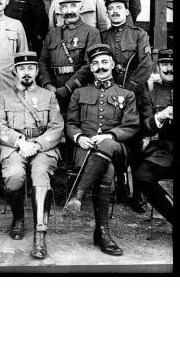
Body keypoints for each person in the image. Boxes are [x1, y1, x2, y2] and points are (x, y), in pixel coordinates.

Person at [65, 44, 139, 256]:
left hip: (117, 149)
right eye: (95, 63)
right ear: (90, 67)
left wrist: (109, 135)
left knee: (106, 147)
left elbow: (131, 126)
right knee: (105, 170)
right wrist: (79, 138)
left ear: (113, 64)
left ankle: (78, 195)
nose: (100, 67)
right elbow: (70, 123)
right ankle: (102, 232)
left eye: (104, 62)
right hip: (86, 150)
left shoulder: (127, 94)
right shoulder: (79, 93)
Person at [0, 52, 64, 259]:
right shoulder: (3, 96)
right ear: (15, 71)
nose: (26, 72)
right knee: (14, 175)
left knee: (40, 173)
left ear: (37, 71)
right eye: (22, 69)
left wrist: (37, 144)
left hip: (42, 146)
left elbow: (57, 126)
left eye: (30, 68)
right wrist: (19, 141)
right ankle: (18, 218)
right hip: (14, 146)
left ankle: (40, 233)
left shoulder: (48, 96)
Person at [101, 0, 153, 207]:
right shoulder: (102, 36)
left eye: (118, 8)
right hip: (112, 97)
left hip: (137, 95)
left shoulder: (139, 34)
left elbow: (146, 66)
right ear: (107, 12)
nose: (115, 12)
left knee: (138, 142)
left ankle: (139, 192)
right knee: (116, 136)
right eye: (111, 9)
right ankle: (120, 183)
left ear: (126, 11)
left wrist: (128, 90)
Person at [38, 0, 101, 115]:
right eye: (64, 7)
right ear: (60, 10)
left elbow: (90, 64)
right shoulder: (53, 33)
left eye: (73, 6)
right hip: (53, 90)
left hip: (78, 89)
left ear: (81, 8)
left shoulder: (91, 32)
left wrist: (68, 87)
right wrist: (48, 84)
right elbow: (43, 61)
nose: (68, 11)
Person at [133, 49, 173, 224]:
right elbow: (145, 127)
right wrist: (161, 116)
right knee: (142, 176)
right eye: (164, 64)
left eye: (172, 64)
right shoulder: (151, 94)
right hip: (163, 152)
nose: (169, 68)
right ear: (158, 66)